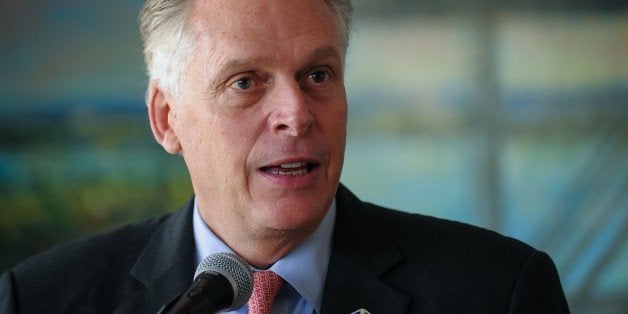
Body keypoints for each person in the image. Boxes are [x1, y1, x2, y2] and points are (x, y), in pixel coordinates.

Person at [0, 0, 570, 313]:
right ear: (167, 118)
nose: (296, 114)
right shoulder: (43, 299)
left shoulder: (499, 292)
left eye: (318, 75)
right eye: (246, 82)